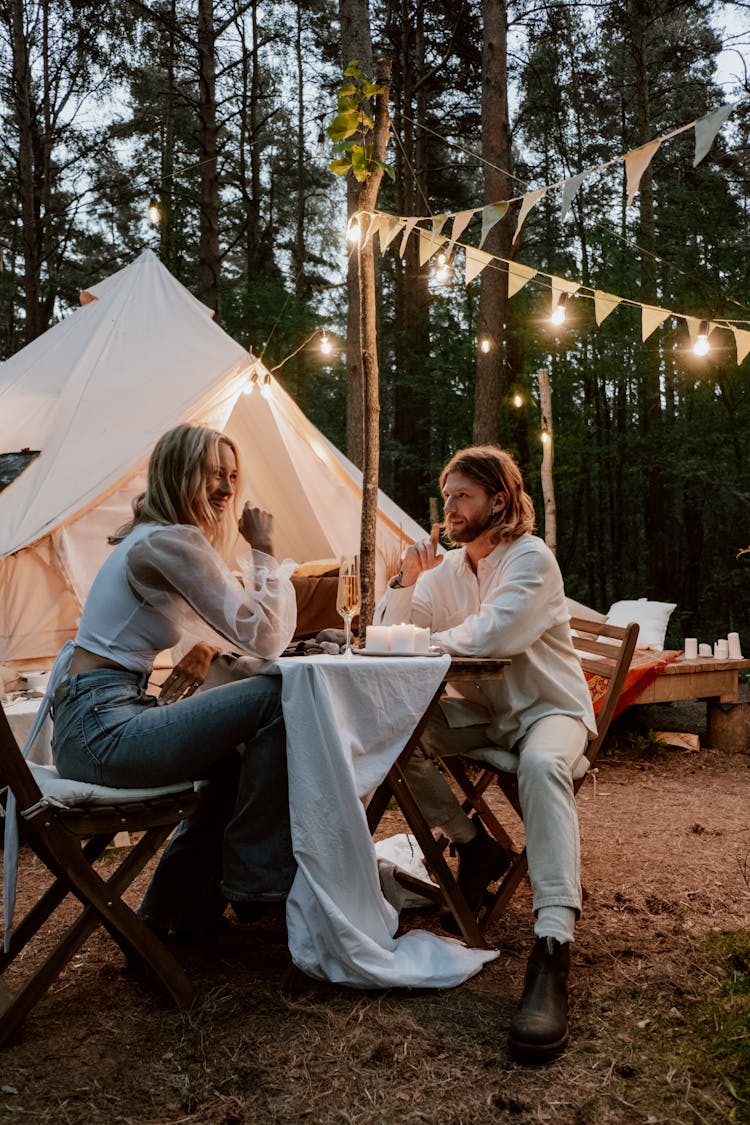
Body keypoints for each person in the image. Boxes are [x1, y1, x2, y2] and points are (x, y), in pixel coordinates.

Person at [373, 444, 596, 1064]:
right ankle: (475, 846)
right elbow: (390, 629)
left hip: (546, 709)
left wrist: (421, 643)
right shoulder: (444, 570)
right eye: (446, 496)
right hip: (484, 715)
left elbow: (492, 633)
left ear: (498, 500)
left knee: (544, 764)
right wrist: (403, 584)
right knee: (393, 732)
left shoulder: (530, 559)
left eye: (462, 495)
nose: (449, 508)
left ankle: (552, 946)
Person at [50, 422, 298, 937]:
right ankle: (256, 881)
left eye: (233, 476)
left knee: (231, 758)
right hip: (102, 730)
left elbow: (220, 623)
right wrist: (266, 549)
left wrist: (210, 645)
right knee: (276, 697)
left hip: (96, 716)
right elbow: (267, 637)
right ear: (179, 474)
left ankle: (173, 915)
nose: (229, 491)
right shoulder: (169, 542)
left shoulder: (158, 539)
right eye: (214, 475)